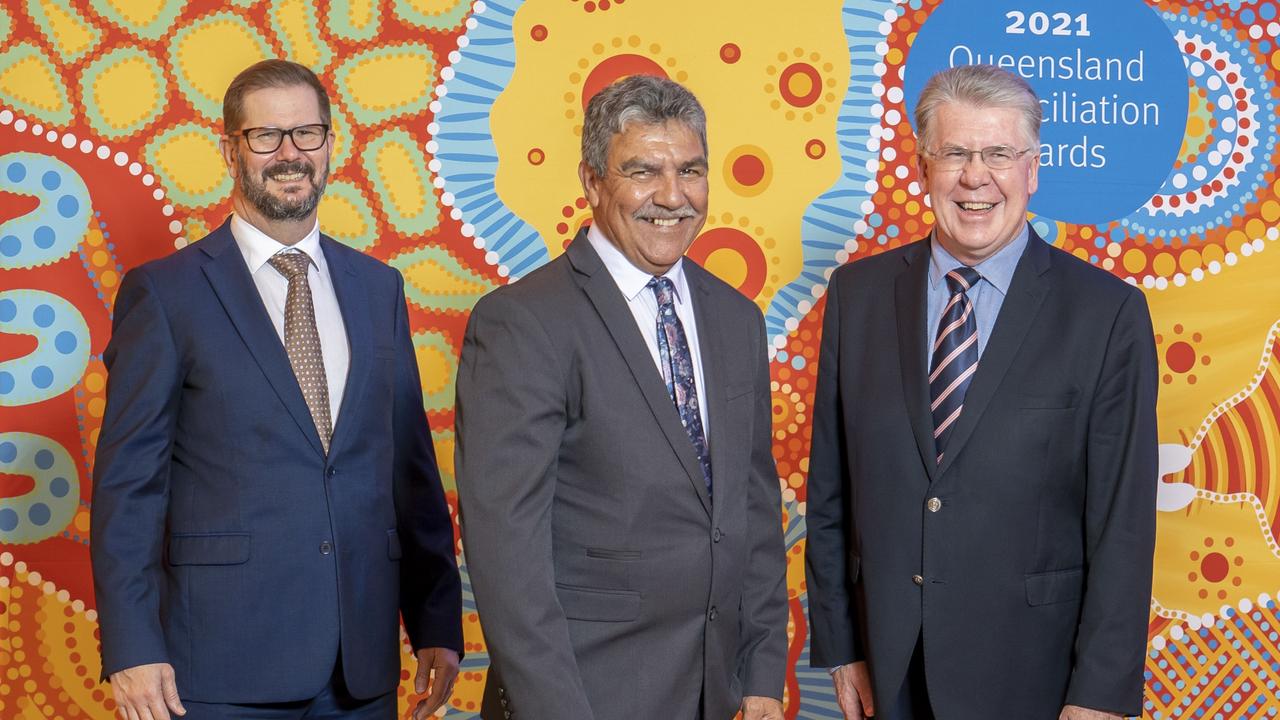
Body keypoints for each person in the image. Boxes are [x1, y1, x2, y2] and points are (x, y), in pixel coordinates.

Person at [91, 59, 462, 720]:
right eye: (267, 136)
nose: (290, 153)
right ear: (230, 148)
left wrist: (435, 622)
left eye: (307, 134)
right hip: (218, 668)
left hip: (361, 667)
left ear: (329, 144)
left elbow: (410, 474)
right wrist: (130, 645)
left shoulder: (380, 290)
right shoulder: (167, 294)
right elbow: (129, 488)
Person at [804, 64, 1158, 720]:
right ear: (921, 164)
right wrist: (839, 644)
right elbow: (829, 491)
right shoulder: (857, 296)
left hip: (1037, 677)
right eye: (955, 153)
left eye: (998, 153)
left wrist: (1100, 694)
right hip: (889, 667)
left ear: (1033, 169)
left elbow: (1124, 524)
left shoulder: (1107, 314)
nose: (975, 177)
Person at [454, 75, 788, 720]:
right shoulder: (524, 322)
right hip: (585, 696)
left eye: (690, 170)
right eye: (643, 170)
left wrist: (763, 674)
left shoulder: (736, 316)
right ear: (592, 182)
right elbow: (506, 555)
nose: (672, 196)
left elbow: (752, 505)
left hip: (718, 694)